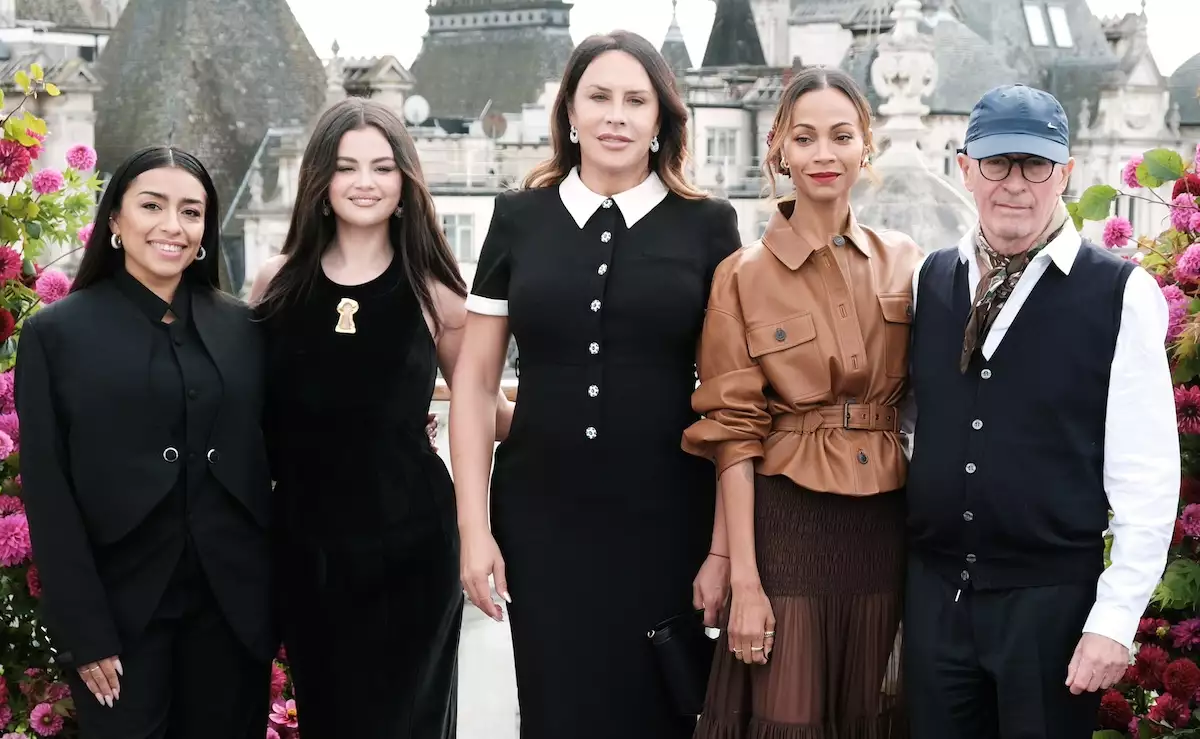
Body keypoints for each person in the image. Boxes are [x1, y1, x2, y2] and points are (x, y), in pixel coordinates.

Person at [449, 30, 741, 739]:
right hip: (541, 522)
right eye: (599, 97)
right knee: (556, 712)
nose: (617, 115)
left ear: (661, 119)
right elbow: (476, 380)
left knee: (661, 710)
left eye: (636, 100)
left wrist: (723, 549)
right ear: (570, 114)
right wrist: (474, 530)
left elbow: (733, 398)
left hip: (668, 519)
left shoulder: (709, 225)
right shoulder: (517, 219)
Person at [904, 84, 1180, 738]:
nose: (1016, 185)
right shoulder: (930, 278)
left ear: (1066, 172)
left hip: (1051, 609)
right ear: (965, 168)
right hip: (936, 603)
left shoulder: (1121, 293)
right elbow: (916, 424)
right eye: (997, 164)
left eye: (1036, 164)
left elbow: (1147, 477)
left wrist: (1113, 620)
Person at [249, 97, 512, 739]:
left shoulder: (437, 293)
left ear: (405, 185)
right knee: (328, 718)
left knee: (407, 723)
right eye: (346, 167)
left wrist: (590, 399)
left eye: (382, 167)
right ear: (320, 183)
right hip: (306, 551)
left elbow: (486, 409)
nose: (364, 182)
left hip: (412, 548)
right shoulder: (275, 284)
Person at [681, 66, 921, 737]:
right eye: (805, 137)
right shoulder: (741, 275)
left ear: (864, 144)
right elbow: (733, 432)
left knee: (869, 713)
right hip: (786, 526)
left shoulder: (908, 262)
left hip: (882, 528)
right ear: (778, 149)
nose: (824, 154)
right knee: (786, 716)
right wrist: (744, 580)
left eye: (841, 135)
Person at [15, 146, 274, 739]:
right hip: (119, 617)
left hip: (232, 614)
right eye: (152, 206)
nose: (172, 227)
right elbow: (48, 495)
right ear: (114, 219)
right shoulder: (56, 336)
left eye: (191, 211)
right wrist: (84, 634)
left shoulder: (246, 327)